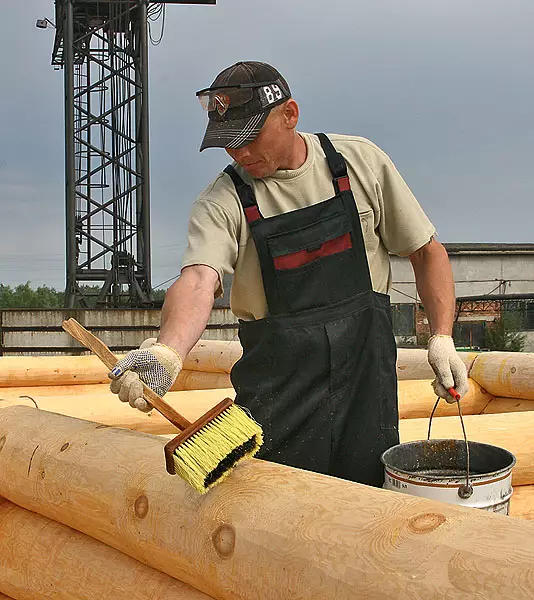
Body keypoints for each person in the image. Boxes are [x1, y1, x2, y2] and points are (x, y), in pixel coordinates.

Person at [109, 61, 469, 487]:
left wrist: (442, 337)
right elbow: (198, 279)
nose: (239, 153)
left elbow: (427, 252)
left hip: (364, 387)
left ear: (289, 114)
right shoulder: (223, 200)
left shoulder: (358, 163)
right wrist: (169, 352)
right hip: (279, 397)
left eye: (249, 138)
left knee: (369, 513)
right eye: (228, 144)